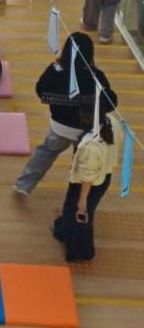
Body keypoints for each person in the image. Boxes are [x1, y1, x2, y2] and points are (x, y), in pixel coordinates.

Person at [13, 33, 117, 196]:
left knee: (46, 152)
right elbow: (111, 103)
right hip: (85, 131)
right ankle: (76, 195)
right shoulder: (96, 76)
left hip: (59, 127)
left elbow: (40, 91)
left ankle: (23, 185)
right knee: (82, 162)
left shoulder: (54, 71)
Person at [52, 108, 121, 262]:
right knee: (71, 208)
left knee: (81, 215)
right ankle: (64, 231)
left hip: (88, 185)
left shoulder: (90, 146)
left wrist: (83, 199)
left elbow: (87, 177)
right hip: (104, 175)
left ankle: (80, 251)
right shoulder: (112, 122)